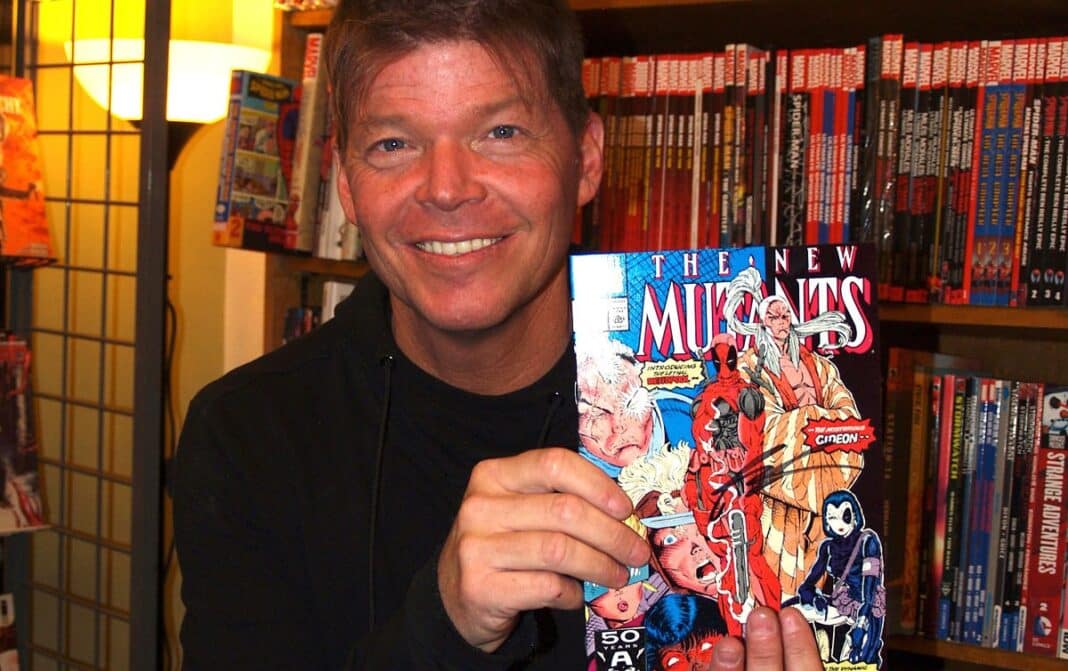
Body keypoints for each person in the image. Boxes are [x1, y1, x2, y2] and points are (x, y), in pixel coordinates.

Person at [172, 1, 824, 669]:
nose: (446, 189)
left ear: (586, 159)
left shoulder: (723, 400)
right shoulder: (247, 436)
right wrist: (444, 625)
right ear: (345, 181)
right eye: (393, 144)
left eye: (501, 132)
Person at [725, 267, 864, 596]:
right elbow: (761, 427)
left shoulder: (820, 366)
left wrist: (816, 423)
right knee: (782, 585)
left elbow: (848, 414)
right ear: (761, 323)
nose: (781, 323)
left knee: (825, 573)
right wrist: (815, 420)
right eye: (773, 317)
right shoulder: (749, 368)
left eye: (785, 315)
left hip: (827, 485)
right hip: (779, 497)